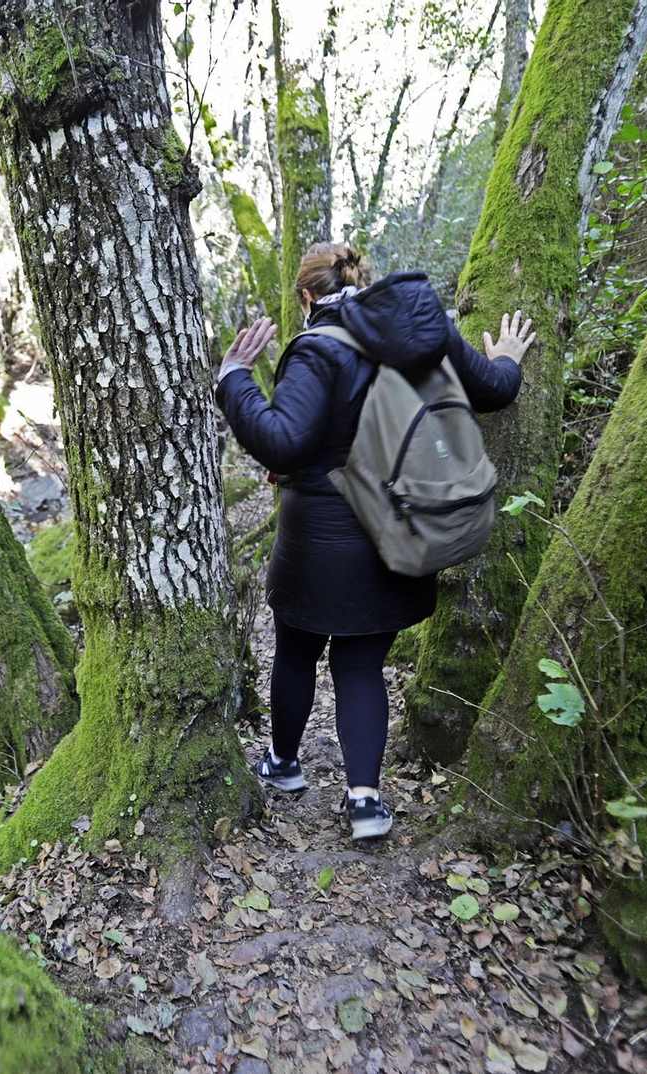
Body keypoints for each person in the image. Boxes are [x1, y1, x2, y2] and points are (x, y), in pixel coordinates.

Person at [214, 242, 534, 840]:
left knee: (297, 651)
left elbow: (284, 442)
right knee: (361, 665)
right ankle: (365, 801)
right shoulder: (423, 328)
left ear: (308, 297)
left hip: (317, 541)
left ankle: (284, 766)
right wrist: (510, 359)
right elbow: (492, 388)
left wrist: (235, 381)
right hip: (401, 534)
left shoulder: (316, 349)